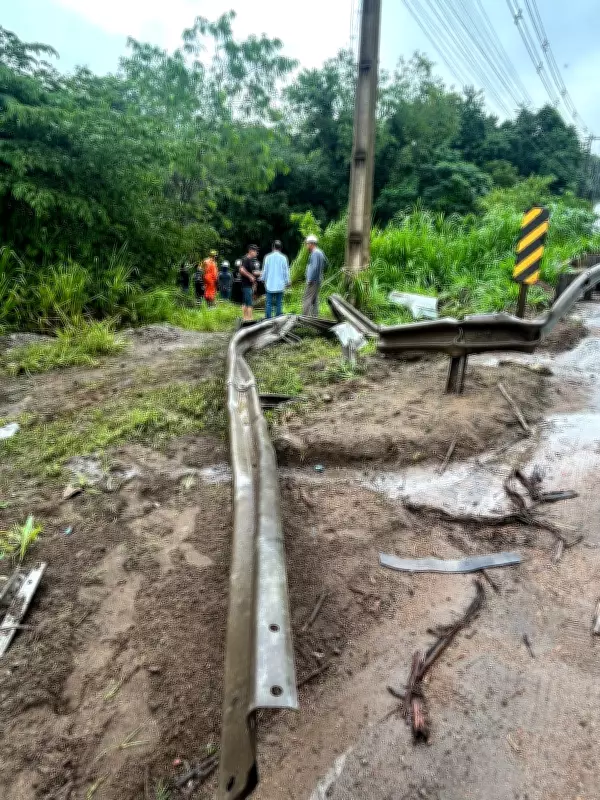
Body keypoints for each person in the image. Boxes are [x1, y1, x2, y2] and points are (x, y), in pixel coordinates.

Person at [261, 240, 290, 318]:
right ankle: (278, 319)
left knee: (269, 303)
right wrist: (287, 282)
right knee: (279, 303)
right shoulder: (284, 258)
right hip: (280, 285)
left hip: (270, 284)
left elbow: (265, 270)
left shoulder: (267, 257)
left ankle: (268, 319)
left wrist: (263, 279)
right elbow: (286, 272)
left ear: (273, 247)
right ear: (280, 248)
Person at [302, 234, 327, 316]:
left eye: (307, 244)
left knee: (307, 299)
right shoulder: (320, 252)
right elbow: (325, 263)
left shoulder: (315, 253)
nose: (306, 246)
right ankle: (315, 317)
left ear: (311, 244)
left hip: (313, 281)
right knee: (314, 299)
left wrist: (310, 279)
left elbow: (315, 267)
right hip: (317, 279)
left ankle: (304, 318)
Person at [240, 244, 259, 321]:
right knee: (249, 303)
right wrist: (250, 276)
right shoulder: (246, 259)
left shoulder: (250, 260)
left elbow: (252, 272)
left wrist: (260, 273)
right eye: (255, 251)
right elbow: (241, 269)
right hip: (246, 285)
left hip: (249, 285)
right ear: (250, 251)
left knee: (245, 302)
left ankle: (245, 319)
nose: (256, 253)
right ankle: (250, 320)